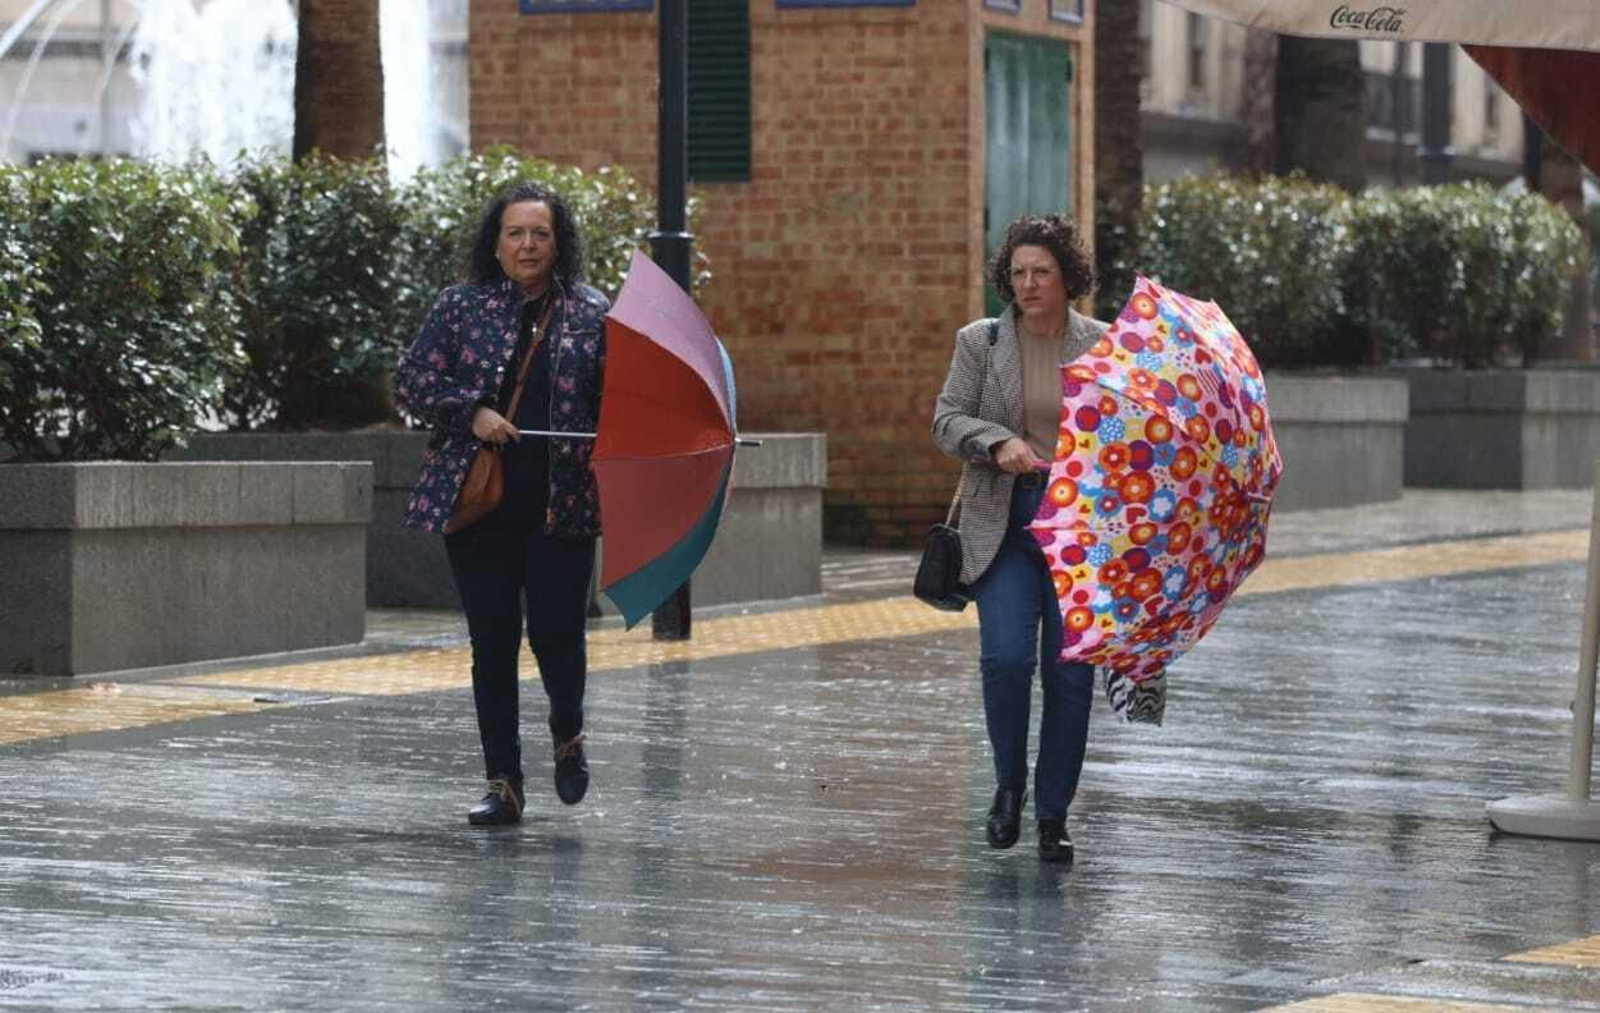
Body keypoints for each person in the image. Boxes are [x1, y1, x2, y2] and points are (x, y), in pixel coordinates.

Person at [396, 181, 609, 826]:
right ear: (495, 243)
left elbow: (622, 397)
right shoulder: (461, 307)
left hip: (561, 504)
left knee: (557, 636)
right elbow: (414, 380)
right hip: (479, 503)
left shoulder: (593, 313)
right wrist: (472, 413)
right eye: (515, 233)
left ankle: (567, 735)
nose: (527, 245)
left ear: (558, 242)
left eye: (540, 234)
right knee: (492, 642)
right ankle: (503, 783)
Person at [931, 214, 1109, 863]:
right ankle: (1008, 784)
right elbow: (946, 419)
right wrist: (995, 440)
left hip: (1077, 526)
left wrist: (1095, 460)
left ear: (1068, 277)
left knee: (1070, 674)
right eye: (1018, 273)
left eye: (1041, 272)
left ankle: (1053, 811)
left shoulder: (1102, 345)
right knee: (1007, 658)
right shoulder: (979, 342)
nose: (1028, 284)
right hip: (1002, 520)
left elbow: (1123, 440)